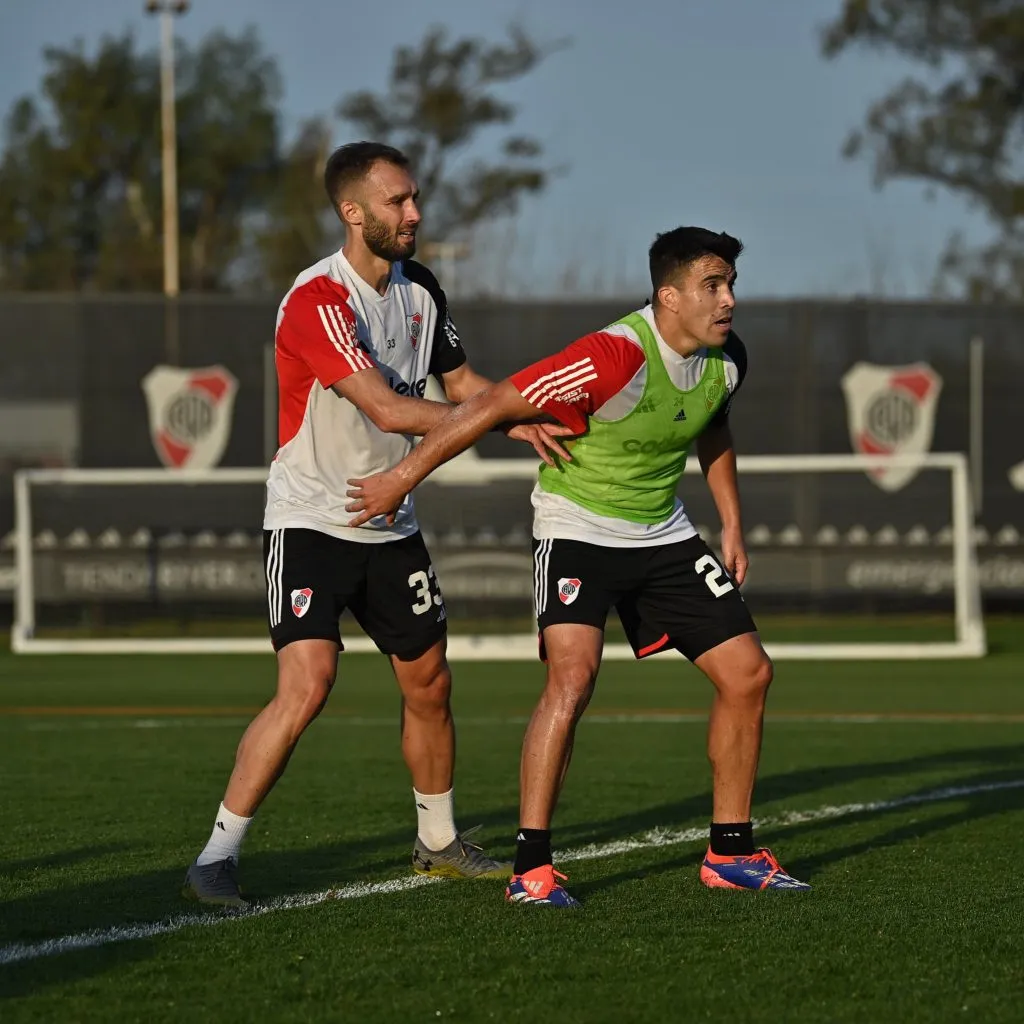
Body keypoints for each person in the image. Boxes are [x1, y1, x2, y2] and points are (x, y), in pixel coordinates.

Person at [345, 226, 811, 907]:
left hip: (662, 533)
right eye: (712, 286)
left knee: (749, 674)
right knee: (573, 679)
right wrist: (400, 478)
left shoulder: (727, 358)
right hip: (578, 530)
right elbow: (490, 404)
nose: (728, 300)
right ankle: (531, 870)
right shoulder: (612, 355)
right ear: (668, 296)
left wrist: (732, 522)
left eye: (731, 284)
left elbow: (713, 424)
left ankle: (731, 853)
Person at [183, 141, 569, 907]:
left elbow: (462, 382)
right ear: (352, 212)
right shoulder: (316, 300)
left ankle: (438, 844)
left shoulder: (422, 289)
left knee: (430, 682)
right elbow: (390, 410)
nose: (415, 212)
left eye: (415, 197)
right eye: (398, 201)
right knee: (309, 684)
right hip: (312, 519)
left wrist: (519, 408)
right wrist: (502, 415)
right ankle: (215, 859)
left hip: (392, 522)